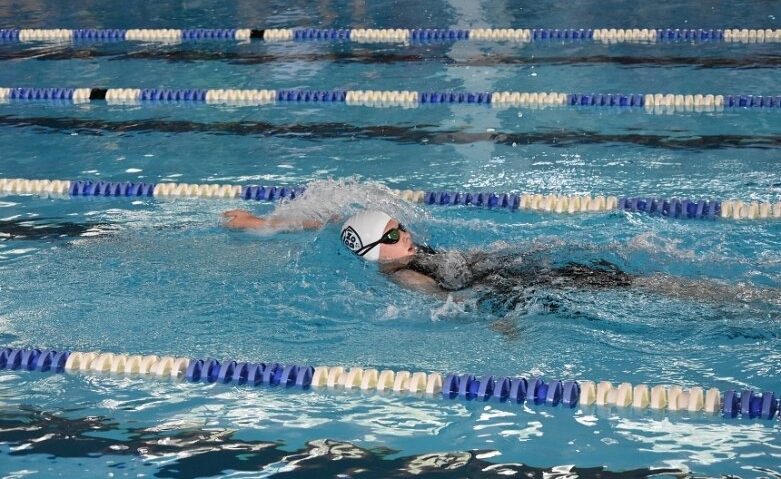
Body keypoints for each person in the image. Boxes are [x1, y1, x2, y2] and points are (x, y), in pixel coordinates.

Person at [224, 206, 781, 314]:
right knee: (635, 285)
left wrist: (260, 225)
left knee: (628, 275)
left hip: (513, 269)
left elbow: (330, 220)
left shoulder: (395, 254)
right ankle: (751, 305)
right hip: (521, 286)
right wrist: (506, 320)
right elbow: (450, 302)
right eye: (393, 233)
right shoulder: (405, 278)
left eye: (401, 225)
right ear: (376, 252)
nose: (407, 232)